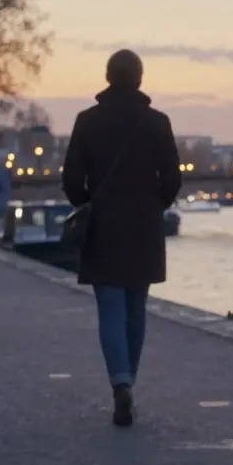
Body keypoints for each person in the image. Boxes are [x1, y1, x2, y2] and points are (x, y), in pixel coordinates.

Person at [62, 49, 182, 427]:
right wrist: (154, 205)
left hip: (103, 227)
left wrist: (89, 204)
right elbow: (173, 179)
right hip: (144, 227)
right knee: (136, 308)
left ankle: (120, 384)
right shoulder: (158, 122)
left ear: (108, 77)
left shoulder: (87, 121)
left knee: (110, 307)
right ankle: (129, 379)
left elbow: (71, 180)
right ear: (140, 79)